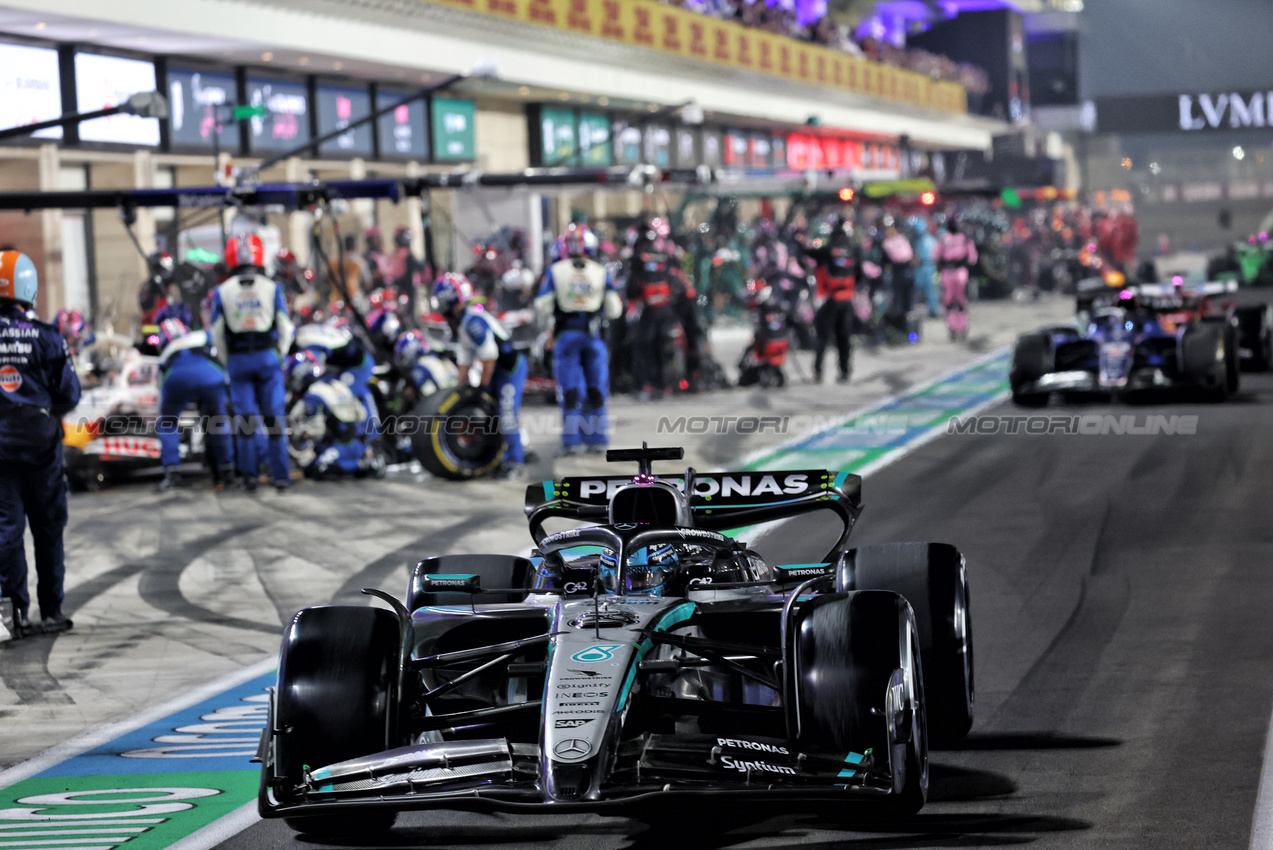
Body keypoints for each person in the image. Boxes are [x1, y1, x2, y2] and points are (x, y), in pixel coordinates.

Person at [0, 251, 80, 634]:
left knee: (6, 530)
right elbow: (69, 393)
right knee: (48, 529)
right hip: (42, 448)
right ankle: (51, 611)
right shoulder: (48, 337)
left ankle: (12, 614)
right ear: (29, 289)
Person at [209, 233, 295, 492]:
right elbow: (285, 326)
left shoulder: (221, 292)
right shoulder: (272, 287)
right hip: (267, 357)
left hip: (238, 360)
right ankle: (280, 476)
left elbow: (217, 333)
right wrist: (278, 354)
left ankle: (250, 477)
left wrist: (228, 362)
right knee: (274, 420)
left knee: (246, 423)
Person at [535, 224, 622, 455]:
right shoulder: (601, 271)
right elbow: (615, 309)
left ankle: (572, 441)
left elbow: (542, 305)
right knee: (596, 390)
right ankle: (597, 439)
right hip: (593, 336)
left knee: (570, 390)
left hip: (567, 336)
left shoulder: (555, 271)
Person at [434, 273, 527, 479]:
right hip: (496, 369)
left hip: (510, 369)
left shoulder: (472, 320)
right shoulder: (464, 320)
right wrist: (461, 388)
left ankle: (515, 461)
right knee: (491, 412)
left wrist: (483, 388)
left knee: (506, 413)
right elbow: (465, 357)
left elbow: (489, 356)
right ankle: (499, 456)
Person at [154, 317, 233, 492]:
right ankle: (227, 469)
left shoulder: (166, 353)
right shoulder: (201, 336)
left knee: (167, 423)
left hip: (176, 379)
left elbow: (159, 388)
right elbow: (220, 349)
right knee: (218, 420)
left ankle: (173, 473)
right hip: (211, 376)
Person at [284, 351, 381, 480]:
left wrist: (301, 434)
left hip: (339, 447)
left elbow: (317, 430)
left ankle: (360, 465)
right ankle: (365, 458)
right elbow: (362, 415)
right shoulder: (339, 384)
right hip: (358, 444)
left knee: (315, 468)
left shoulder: (313, 394)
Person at [625, 219, 684, 400]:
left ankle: (645, 385)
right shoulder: (664, 256)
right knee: (662, 349)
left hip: (646, 311)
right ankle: (663, 385)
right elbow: (675, 283)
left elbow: (631, 288)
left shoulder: (637, 259)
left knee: (642, 348)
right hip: (666, 311)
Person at [801, 216, 861, 383]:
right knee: (844, 338)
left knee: (823, 337)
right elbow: (860, 274)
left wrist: (801, 242)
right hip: (847, 300)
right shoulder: (854, 250)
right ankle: (845, 371)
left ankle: (818, 371)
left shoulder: (828, 250)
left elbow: (809, 253)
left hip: (831, 299)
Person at [937, 218, 979, 341]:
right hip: (952, 272)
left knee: (957, 301)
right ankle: (955, 327)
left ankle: (959, 327)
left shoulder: (962, 239)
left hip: (956, 271)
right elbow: (936, 255)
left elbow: (972, 258)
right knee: (952, 301)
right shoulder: (947, 238)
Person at [910, 216, 940, 318]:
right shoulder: (917, 241)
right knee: (916, 289)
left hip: (930, 267)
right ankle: (912, 309)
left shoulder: (930, 240)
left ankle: (933, 311)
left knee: (932, 290)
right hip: (921, 267)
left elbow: (935, 255)